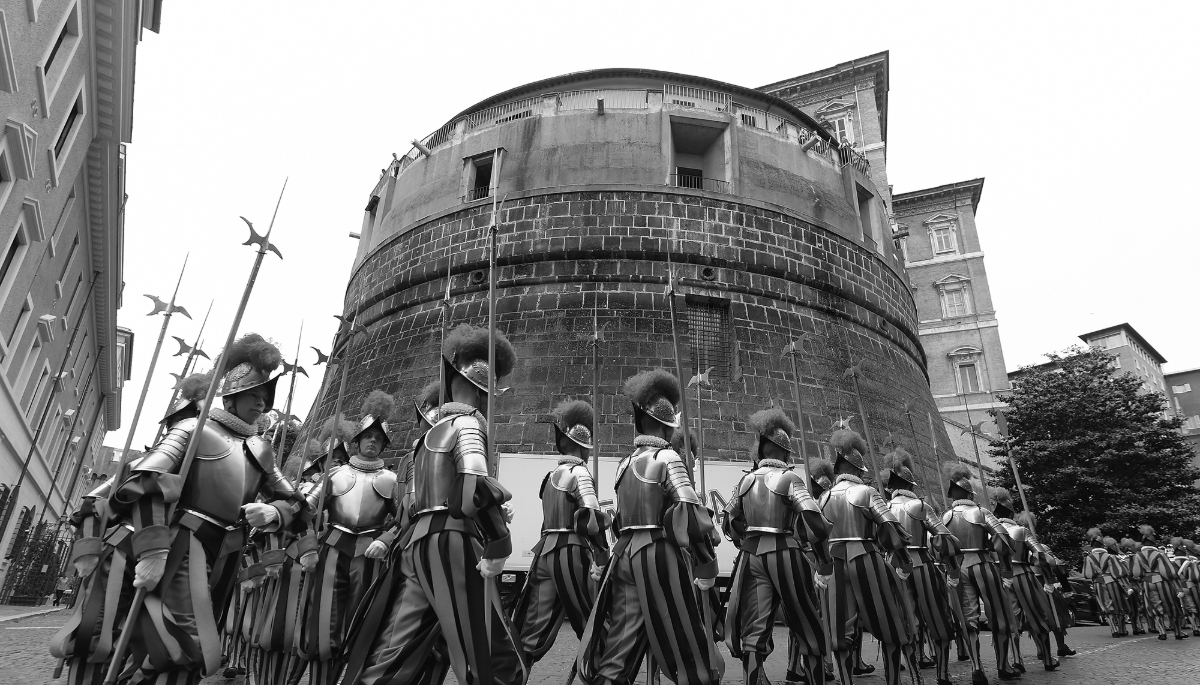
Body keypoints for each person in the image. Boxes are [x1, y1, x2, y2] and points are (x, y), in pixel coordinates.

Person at [106, 333, 302, 684]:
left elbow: (295, 502)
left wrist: (275, 513)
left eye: (264, 397)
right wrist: (152, 549)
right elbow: (144, 482)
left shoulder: (262, 447)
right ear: (232, 395)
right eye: (253, 395)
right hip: (188, 541)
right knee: (182, 636)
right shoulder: (193, 429)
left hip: (231, 549)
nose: (261, 404)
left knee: (204, 635)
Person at [344, 324, 524, 685]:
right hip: (453, 541)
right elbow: (470, 487)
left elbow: (419, 502)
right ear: (480, 390)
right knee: (493, 654)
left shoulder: (426, 437)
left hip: (417, 543)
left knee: (396, 651)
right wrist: (498, 538)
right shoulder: (469, 424)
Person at [50, 371, 211, 685]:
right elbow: (91, 505)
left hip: (173, 561)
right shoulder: (138, 464)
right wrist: (87, 551)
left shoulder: (203, 477)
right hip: (120, 555)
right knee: (94, 636)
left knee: (167, 646)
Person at [576, 369, 723, 685]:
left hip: (624, 554)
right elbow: (689, 514)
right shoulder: (668, 457)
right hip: (658, 554)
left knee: (621, 644)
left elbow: (618, 520)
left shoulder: (623, 463)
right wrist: (707, 564)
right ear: (669, 426)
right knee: (687, 640)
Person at [723, 408, 830, 685]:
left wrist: (742, 539)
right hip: (785, 550)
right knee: (806, 620)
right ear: (784, 452)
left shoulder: (746, 479)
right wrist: (823, 562)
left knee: (754, 627)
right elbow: (814, 523)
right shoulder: (790, 479)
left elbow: (729, 520)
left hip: (751, 554)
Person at [299, 391, 400, 685]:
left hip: (369, 553)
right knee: (323, 620)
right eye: (368, 436)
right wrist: (307, 547)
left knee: (363, 622)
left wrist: (387, 538)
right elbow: (305, 512)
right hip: (332, 548)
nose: (372, 441)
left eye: (378, 439)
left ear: (383, 445)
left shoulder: (393, 481)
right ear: (357, 441)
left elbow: (406, 519)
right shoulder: (335, 475)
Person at [511, 399, 609, 670]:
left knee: (532, 630)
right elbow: (591, 518)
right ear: (582, 448)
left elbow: (546, 522)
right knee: (593, 620)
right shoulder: (580, 473)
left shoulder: (550, 475)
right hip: (571, 552)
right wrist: (602, 558)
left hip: (544, 552)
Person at [817, 428, 911, 685]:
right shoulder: (867, 492)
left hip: (835, 560)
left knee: (841, 628)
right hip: (865, 556)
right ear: (858, 469)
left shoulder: (824, 496)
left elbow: (816, 534)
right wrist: (904, 560)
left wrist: (821, 566)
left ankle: (847, 681)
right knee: (889, 621)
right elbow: (890, 529)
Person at [881, 449, 959, 685]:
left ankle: (914, 677)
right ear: (910, 484)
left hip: (893, 565)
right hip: (923, 563)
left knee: (902, 621)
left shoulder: (883, 506)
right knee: (938, 617)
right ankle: (942, 674)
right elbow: (944, 539)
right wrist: (952, 567)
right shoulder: (921, 506)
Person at [941, 464, 1015, 685]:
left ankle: (976, 667)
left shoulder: (945, 517)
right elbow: (1003, 542)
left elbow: (940, 546)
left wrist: (950, 570)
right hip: (982, 564)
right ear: (969, 493)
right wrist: (1006, 569)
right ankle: (1003, 666)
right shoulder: (982, 512)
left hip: (958, 568)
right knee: (999, 614)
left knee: (968, 619)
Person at [991, 490, 1058, 672]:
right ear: (1012, 514)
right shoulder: (1021, 530)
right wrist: (1049, 578)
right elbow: (1043, 557)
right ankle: (1047, 658)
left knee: (1009, 619)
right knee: (1038, 616)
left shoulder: (988, 533)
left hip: (999, 577)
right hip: (1022, 574)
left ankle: (1016, 658)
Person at [1131, 525, 1186, 640]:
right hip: (1161, 581)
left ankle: (1162, 632)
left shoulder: (1138, 556)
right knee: (1171, 605)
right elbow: (1168, 573)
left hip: (1147, 582)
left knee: (1154, 607)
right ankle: (1178, 632)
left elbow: (1136, 573)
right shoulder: (1160, 555)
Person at [1083, 528, 1126, 636]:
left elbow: (1087, 575)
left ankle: (1113, 630)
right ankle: (1121, 629)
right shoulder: (1110, 556)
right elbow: (1119, 572)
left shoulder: (1089, 558)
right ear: (1103, 545)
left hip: (1098, 582)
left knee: (1106, 606)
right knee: (1118, 604)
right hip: (1111, 581)